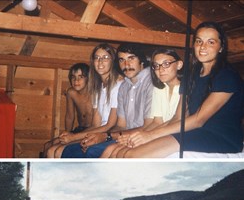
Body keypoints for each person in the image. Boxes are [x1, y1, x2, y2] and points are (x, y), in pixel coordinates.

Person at [112, 21, 244, 157]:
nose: (202, 47)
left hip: (220, 137)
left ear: (221, 47)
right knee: (124, 152)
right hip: (194, 131)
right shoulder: (192, 74)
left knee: (133, 156)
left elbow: (199, 119)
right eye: (199, 41)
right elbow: (178, 117)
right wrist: (143, 135)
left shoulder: (227, 76)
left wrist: (151, 135)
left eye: (210, 42)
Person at [64, 43, 154, 158]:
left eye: (131, 58)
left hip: (142, 137)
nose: (126, 64)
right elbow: (121, 126)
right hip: (122, 136)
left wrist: (106, 136)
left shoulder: (151, 83)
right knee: (70, 150)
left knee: (91, 151)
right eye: (122, 60)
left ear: (141, 61)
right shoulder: (125, 87)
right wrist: (97, 136)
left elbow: (148, 127)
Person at [105, 48, 183, 157]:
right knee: (111, 150)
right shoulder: (159, 89)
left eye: (166, 64)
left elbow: (177, 121)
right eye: (156, 66)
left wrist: (146, 135)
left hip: (175, 136)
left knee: (125, 154)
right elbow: (157, 122)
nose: (160, 70)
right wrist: (136, 136)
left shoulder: (186, 88)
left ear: (179, 65)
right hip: (160, 133)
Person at [60, 44, 123, 158]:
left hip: (109, 134)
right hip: (98, 131)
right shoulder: (98, 88)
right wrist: (74, 135)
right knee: (58, 149)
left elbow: (110, 125)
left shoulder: (118, 85)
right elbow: (95, 124)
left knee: (64, 151)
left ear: (113, 61)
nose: (100, 62)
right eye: (97, 58)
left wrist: (74, 137)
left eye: (105, 58)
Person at [45, 63, 92, 157]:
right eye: (73, 77)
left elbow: (97, 124)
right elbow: (70, 116)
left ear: (88, 78)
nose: (76, 80)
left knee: (55, 150)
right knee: (47, 145)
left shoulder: (94, 94)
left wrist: (72, 138)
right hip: (79, 129)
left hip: (91, 131)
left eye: (81, 77)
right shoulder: (71, 93)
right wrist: (68, 133)